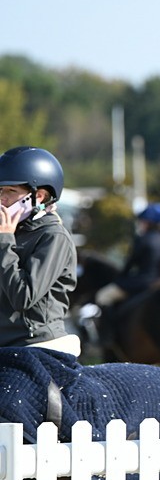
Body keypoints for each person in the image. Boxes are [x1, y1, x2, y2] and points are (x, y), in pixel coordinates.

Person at [0, 146, 80, 356]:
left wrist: (4, 241)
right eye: (0, 191)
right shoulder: (9, 232)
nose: (2, 198)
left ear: (40, 196)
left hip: (36, 346)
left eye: (11, 191)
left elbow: (23, 297)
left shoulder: (54, 237)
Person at [95, 202, 160, 307]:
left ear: (148, 222)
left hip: (141, 283)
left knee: (103, 296)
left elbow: (130, 263)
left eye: (142, 220)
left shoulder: (143, 239)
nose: (140, 223)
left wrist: (119, 278)